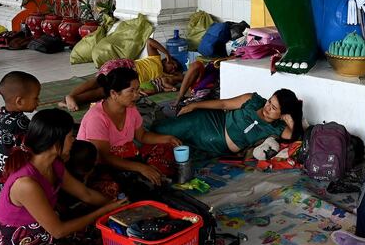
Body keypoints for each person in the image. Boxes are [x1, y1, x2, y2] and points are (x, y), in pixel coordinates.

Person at [0, 109, 126, 245]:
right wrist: (103, 211)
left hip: (47, 236)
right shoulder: (26, 183)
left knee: (110, 244)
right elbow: (58, 230)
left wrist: (117, 205)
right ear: (56, 144)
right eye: (71, 137)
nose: (74, 141)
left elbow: (85, 194)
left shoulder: (53, 164)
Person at [76, 67, 182, 195]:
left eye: (137, 90)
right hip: (102, 165)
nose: (137, 95)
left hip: (128, 157)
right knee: (111, 188)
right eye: (131, 91)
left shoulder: (130, 108)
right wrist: (141, 167)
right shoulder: (96, 118)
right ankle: (145, 178)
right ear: (114, 93)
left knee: (166, 148)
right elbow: (104, 157)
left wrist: (168, 138)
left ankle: (147, 177)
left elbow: (141, 136)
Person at [153, 88, 303, 160]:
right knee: (162, 130)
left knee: (177, 149)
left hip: (217, 143)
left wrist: (292, 121)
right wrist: (195, 105)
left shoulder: (277, 127)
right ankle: (137, 138)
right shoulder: (253, 100)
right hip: (210, 120)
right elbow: (224, 104)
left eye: (274, 108)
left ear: (282, 115)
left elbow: (297, 135)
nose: (267, 107)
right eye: (270, 101)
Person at [61, 38, 184, 111]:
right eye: (173, 64)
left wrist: (177, 75)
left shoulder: (163, 76)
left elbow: (181, 78)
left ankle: (73, 99)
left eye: (174, 69)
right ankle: (70, 96)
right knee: (99, 81)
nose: (173, 68)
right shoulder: (155, 58)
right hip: (125, 66)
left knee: (105, 91)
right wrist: (167, 53)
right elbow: (149, 41)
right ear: (167, 60)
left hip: (127, 80)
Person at [0, 71, 42, 215]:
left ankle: (0, 224)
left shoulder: (0, 116)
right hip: (12, 170)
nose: (38, 102)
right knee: (16, 201)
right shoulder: (21, 123)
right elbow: (34, 145)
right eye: (35, 98)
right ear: (19, 101)